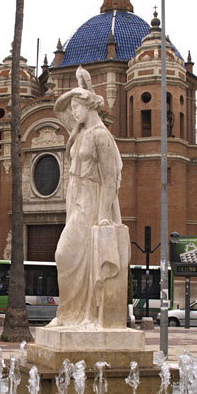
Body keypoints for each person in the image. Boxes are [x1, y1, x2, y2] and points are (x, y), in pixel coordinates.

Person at [48, 66, 129, 329]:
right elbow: (58, 109)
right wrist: (77, 90)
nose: (72, 111)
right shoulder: (79, 131)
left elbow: (109, 180)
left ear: (88, 106)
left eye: (77, 106)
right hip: (76, 198)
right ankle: (70, 314)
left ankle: (78, 315)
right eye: (73, 106)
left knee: (64, 254)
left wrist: (104, 216)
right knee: (69, 256)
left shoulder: (100, 136)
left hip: (92, 202)